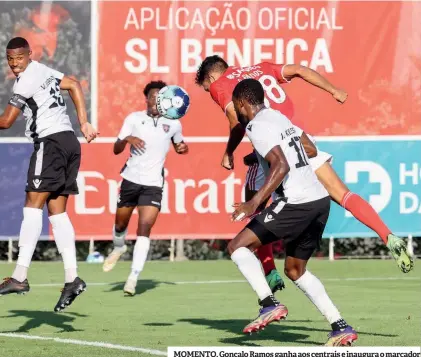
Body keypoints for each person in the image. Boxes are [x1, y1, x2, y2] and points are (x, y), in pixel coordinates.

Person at [195, 55, 413, 275]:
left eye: (207, 88)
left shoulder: (219, 84)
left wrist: (228, 152)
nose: (210, 92)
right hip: (299, 139)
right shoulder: (260, 68)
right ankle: (388, 236)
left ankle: (269, 271)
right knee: (343, 195)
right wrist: (334, 90)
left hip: (273, 145)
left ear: (211, 76)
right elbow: (300, 70)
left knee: (253, 204)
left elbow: (236, 121)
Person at [229, 78, 357, 346]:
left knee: (238, 247)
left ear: (242, 103)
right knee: (296, 270)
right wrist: (263, 156)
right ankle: (340, 326)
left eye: (236, 106)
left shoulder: (256, 125)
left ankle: (268, 303)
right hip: (319, 200)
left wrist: (254, 203)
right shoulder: (278, 117)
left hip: (296, 201)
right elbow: (309, 148)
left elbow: (281, 165)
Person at [0, 37, 98, 312]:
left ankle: (19, 276)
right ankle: (72, 278)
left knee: (32, 205)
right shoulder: (44, 70)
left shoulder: (26, 80)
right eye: (10, 59)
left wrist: (83, 122)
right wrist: (84, 122)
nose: (14, 64)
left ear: (29, 55)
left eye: (19, 58)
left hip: (51, 143)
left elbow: (6, 122)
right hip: (69, 142)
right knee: (58, 213)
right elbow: (74, 84)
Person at [102, 80, 188, 296]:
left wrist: (182, 148)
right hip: (130, 180)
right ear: (146, 98)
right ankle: (119, 246)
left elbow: (180, 146)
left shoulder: (174, 123)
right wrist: (128, 138)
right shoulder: (134, 119)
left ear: (164, 101)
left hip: (153, 184)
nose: (153, 100)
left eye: (158, 97)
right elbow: (116, 148)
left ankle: (133, 278)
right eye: (151, 96)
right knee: (120, 224)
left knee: (144, 228)